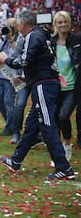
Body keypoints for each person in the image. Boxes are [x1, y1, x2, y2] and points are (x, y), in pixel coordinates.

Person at [0, 10, 75, 180]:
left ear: (23, 24)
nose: (16, 26)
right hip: (44, 83)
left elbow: (24, 61)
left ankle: (63, 167)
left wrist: (6, 59)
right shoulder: (43, 34)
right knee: (32, 126)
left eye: (18, 23)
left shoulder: (32, 35)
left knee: (47, 124)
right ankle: (16, 161)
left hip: (43, 84)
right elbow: (41, 60)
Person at [51, 10, 80, 159]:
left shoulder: (76, 41)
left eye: (65, 21)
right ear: (55, 25)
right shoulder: (50, 42)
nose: (62, 25)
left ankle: (67, 144)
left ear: (69, 23)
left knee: (63, 116)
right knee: (55, 118)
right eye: (59, 22)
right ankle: (57, 150)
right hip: (55, 87)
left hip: (72, 87)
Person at [0, 18, 23, 142]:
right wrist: (0, 35)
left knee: (9, 102)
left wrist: (10, 38)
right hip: (0, 74)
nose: (9, 27)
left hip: (12, 76)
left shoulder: (19, 38)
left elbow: (17, 52)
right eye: (7, 25)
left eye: (11, 25)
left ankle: (13, 129)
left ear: (16, 26)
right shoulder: (2, 37)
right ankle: (10, 124)